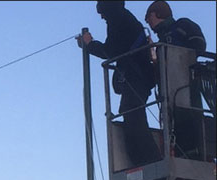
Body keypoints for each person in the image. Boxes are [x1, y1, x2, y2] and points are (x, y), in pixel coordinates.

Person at [79, 1, 161, 167]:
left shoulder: (118, 19)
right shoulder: (123, 18)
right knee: (131, 112)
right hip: (139, 75)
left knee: (132, 113)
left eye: (102, 13)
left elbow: (111, 51)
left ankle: (148, 160)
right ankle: (144, 159)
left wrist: (90, 44)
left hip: (136, 76)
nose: (102, 17)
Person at [145, 0, 208, 160]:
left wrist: (181, 57)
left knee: (188, 117)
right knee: (173, 122)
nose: (148, 22)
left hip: (186, 83)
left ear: (156, 13)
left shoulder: (182, 25)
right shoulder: (161, 42)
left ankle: (195, 153)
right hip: (168, 89)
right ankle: (181, 153)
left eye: (149, 17)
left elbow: (198, 43)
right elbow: (160, 65)